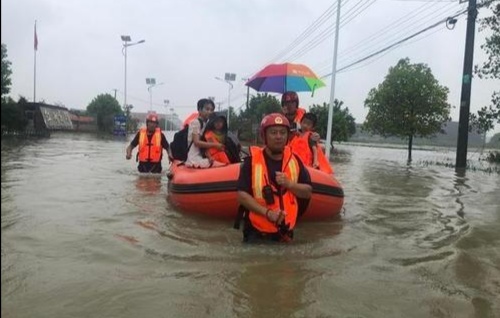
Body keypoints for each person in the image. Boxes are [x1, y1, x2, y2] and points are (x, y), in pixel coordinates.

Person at [236, 113, 312, 243]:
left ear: (287, 136)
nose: (278, 137)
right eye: (273, 132)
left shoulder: (295, 161)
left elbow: (307, 192)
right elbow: (241, 195)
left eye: (282, 133)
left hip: (285, 232)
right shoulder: (251, 162)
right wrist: (268, 213)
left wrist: (290, 184)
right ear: (264, 136)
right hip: (256, 233)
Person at [185, 98, 226, 168]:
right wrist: (215, 145)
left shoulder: (205, 124)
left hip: (200, 156)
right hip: (193, 159)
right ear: (200, 110)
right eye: (207, 109)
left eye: (211, 110)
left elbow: (204, 145)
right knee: (221, 166)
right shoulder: (196, 123)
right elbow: (196, 142)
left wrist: (209, 157)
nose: (210, 112)